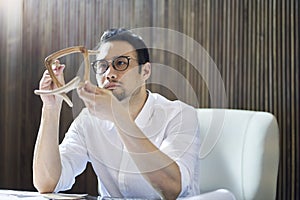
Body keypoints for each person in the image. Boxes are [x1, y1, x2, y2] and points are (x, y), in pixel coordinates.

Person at [33, 28, 200, 200]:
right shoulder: (88, 120)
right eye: (102, 66)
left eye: (121, 63)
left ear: (145, 72)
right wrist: (51, 108)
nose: (109, 74)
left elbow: (172, 188)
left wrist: (118, 116)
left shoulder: (180, 115)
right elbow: (47, 182)